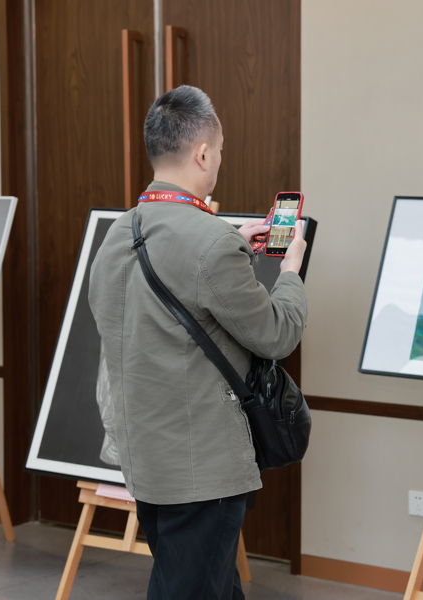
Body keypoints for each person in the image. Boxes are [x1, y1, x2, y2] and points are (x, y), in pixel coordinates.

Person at [88, 85, 308, 599]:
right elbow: (277, 334)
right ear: (203, 153)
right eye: (221, 150)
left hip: (145, 460)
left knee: (205, 584)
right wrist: (290, 272)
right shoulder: (213, 242)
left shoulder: (116, 234)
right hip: (201, 469)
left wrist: (230, 243)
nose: (219, 161)